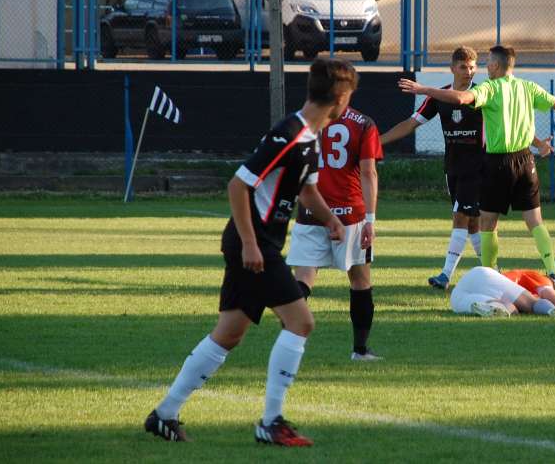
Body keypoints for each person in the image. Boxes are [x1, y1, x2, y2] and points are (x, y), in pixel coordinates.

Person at [144, 59, 355, 447]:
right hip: (253, 243)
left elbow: (306, 191)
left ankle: (164, 414)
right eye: (350, 97)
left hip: (260, 243)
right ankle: (271, 422)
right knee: (301, 322)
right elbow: (238, 186)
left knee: (228, 333)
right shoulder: (289, 134)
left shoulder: (311, 137)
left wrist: (331, 221)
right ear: (341, 97)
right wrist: (251, 244)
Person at [399, 45, 555, 288]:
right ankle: (552, 272)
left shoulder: (489, 87)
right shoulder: (527, 87)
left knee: (487, 223)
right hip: (525, 160)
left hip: (497, 162)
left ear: (496, 66)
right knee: (535, 221)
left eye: (487, 62)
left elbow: (460, 98)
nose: (484, 67)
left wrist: (423, 89)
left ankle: (490, 277)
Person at [380, 46, 485, 290]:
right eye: (463, 67)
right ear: (452, 68)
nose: (468, 72)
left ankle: (445, 276)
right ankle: (493, 270)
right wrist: (378, 141)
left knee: (460, 217)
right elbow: (411, 123)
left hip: (478, 166)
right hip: (453, 167)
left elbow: (501, 117)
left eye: (472, 67)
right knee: (472, 224)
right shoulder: (439, 97)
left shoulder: (481, 93)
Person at [288, 104, 384, 360]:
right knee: (360, 281)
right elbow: (368, 171)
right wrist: (370, 220)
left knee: (304, 279)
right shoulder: (363, 123)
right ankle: (360, 350)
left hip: (311, 210)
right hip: (350, 213)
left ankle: (288, 348)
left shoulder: (305, 119)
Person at [450, 266, 555, 318]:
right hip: (483, 278)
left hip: (458, 296)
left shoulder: (514, 283)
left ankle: (490, 307)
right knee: (531, 303)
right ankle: (553, 311)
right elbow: (546, 293)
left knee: (508, 309)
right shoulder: (542, 280)